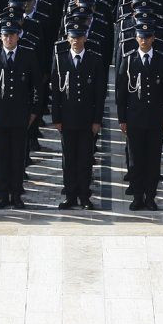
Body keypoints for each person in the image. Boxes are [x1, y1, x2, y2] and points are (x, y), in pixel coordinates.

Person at [0, 20, 43, 209]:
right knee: (2, 157)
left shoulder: (28, 55)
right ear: (1, 37)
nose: (8, 38)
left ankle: (16, 194)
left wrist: (33, 112)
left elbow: (37, 86)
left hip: (21, 115)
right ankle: (2, 195)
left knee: (18, 157)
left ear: (18, 36)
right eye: (5, 35)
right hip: (0, 115)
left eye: (12, 35)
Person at [115, 24, 163, 211]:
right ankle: (138, 196)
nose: (144, 40)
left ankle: (150, 196)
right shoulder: (129, 59)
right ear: (137, 38)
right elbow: (121, 93)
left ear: (153, 38)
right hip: (134, 119)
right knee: (135, 160)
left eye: (148, 37)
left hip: (155, 119)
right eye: (141, 37)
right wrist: (122, 119)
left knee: (153, 160)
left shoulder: (162, 60)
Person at [51, 22, 107, 210]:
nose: (76, 41)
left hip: (86, 119)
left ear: (85, 38)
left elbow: (100, 94)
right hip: (67, 119)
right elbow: (56, 92)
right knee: (68, 161)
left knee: (84, 160)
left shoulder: (94, 59)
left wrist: (97, 120)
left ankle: (84, 196)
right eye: (72, 37)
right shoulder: (60, 59)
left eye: (79, 37)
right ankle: (70, 195)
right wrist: (56, 118)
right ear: (68, 39)